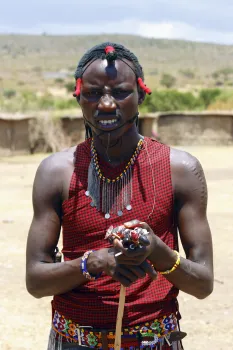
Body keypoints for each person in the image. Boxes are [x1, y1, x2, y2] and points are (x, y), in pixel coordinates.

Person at [26, 42, 214, 350]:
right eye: (93, 93)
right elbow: (36, 281)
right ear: (78, 98)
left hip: (156, 342)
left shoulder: (180, 169)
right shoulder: (56, 172)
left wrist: (157, 251)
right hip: (73, 341)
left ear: (141, 95)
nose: (107, 104)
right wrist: (95, 263)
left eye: (121, 92)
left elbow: (203, 282)